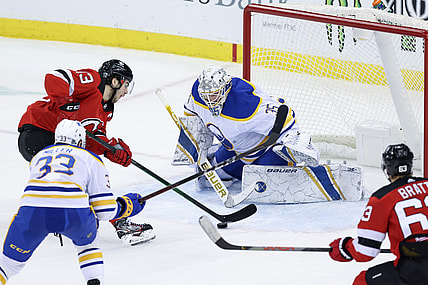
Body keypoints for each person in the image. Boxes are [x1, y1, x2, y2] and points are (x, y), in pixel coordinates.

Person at [17, 59, 154, 245]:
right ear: (115, 81)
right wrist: (66, 102)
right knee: (85, 171)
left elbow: (91, 142)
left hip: (60, 142)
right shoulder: (93, 81)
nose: (125, 92)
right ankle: (118, 220)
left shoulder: (106, 110)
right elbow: (54, 78)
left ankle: (63, 212)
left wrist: (113, 150)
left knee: (90, 168)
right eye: (126, 85)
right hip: (39, 133)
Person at [0, 119, 147, 285]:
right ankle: (94, 280)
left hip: (32, 211)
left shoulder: (38, 157)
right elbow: (104, 210)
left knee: (7, 266)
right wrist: (127, 206)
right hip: (72, 212)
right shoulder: (90, 158)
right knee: (88, 247)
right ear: (80, 141)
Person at [183, 65, 319, 184]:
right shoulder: (198, 94)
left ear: (225, 89)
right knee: (214, 176)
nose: (209, 100)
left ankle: (295, 155)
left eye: (214, 95)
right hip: (240, 151)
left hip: (267, 149)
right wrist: (193, 150)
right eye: (206, 96)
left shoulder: (246, 105)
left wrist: (295, 140)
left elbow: (284, 116)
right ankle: (215, 151)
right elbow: (192, 117)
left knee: (268, 183)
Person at [329, 143, 428, 285]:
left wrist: (345, 247)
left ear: (387, 169)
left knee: (362, 281)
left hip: (414, 272)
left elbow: (366, 251)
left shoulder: (382, 198)